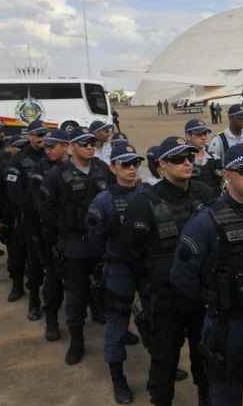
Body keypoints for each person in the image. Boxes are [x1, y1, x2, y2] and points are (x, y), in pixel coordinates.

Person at [170, 143, 243, 406]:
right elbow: (182, 277)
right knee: (225, 397)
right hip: (228, 329)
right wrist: (214, 301)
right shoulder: (206, 222)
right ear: (227, 174)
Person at [121, 136, 215, 406]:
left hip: (201, 298)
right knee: (164, 363)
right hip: (165, 300)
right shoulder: (143, 203)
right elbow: (132, 254)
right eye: (177, 159)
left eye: (189, 157)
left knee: (205, 360)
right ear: (161, 165)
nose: (187, 162)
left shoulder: (205, 193)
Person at [40, 127, 110, 365]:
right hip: (74, 244)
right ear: (71, 147)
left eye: (92, 142)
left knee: (106, 288)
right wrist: (60, 237)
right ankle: (77, 341)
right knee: (76, 295)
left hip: (100, 241)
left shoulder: (102, 168)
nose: (90, 146)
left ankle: (107, 321)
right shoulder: (56, 175)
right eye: (83, 143)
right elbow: (46, 211)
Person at [87, 144, 144, 404]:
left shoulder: (148, 193)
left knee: (157, 321)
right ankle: (118, 379)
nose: (131, 169)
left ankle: (161, 368)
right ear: (113, 168)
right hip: (119, 267)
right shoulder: (103, 201)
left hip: (147, 268)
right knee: (117, 325)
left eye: (135, 163)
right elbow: (94, 243)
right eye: (125, 164)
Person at [5, 119, 49, 304]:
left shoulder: (51, 157)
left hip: (51, 218)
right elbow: (14, 193)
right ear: (30, 137)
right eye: (38, 135)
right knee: (33, 261)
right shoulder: (19, 160)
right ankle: (33, 301)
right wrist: (34, 209)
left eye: (45, 134)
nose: (42, 139)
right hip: (31, 219)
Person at [30, 129, 70, 328]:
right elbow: (41, 206)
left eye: (52, 146)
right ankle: (52, 319)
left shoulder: (77, 167)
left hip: (75, 234)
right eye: (45, 146)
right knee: (53, 279)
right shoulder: (40, 169)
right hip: (52, 234)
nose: (47, 150)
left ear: (65, 146)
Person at [0, 133, 26, 284]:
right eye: (18, 147)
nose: (21, 150)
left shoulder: (30, 164)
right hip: (9, 218)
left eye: (23, 147)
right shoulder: (1, 167)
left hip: (27, 217)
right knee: (14, 254)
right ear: (9, 148)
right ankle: (16, 284)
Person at [185, 118, 223, 195]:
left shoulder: (215, 158)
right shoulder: (181, 161)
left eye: (205, 134)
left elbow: (221, 184)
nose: (203, 137)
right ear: (188, 135)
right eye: (199, 134)